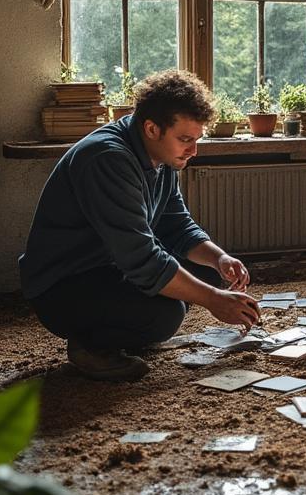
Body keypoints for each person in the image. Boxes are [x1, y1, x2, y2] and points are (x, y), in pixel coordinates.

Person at [20, 69, 259, 381]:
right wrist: (213, 299)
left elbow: (176, 226)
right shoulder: (107, 158)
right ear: (151, 128)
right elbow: (141, 258)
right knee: (165, 316)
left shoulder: (164, 156)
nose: (193, 151)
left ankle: (121, 328)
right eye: (185, 140)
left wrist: (219, 258)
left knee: (203, 271)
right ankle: (89, 344)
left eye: (197, 140)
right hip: (63, 286)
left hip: (108, 267)